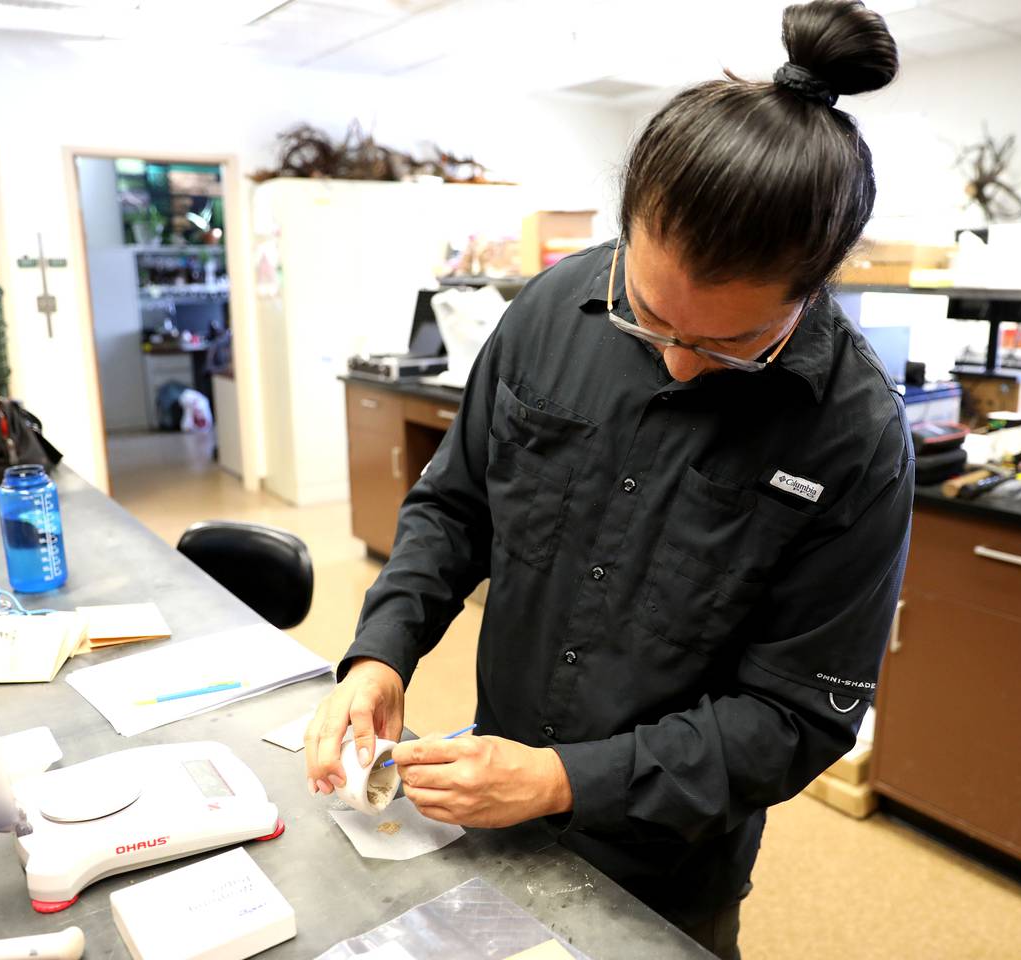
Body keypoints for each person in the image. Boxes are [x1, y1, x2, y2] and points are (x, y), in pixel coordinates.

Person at [306, 2, 910, 956]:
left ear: (816, 287)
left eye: (728, 345)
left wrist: (562, 780)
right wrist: (382, 650)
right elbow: (455, 505)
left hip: (664, 868)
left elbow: (795, 717)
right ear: (627, 231)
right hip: (486, 814)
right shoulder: (552, 308)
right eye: (650, 318)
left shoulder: (853, 437)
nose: (675, 362)